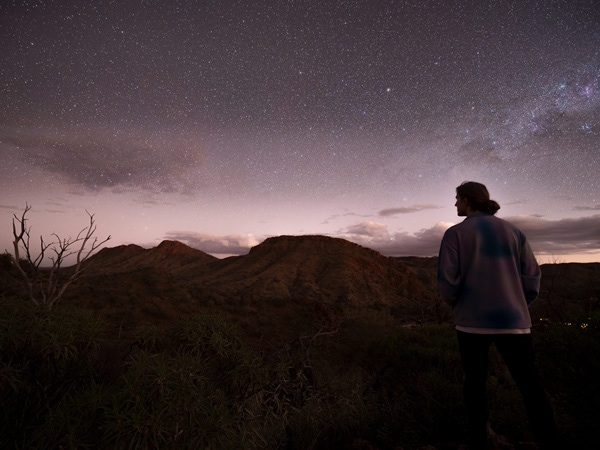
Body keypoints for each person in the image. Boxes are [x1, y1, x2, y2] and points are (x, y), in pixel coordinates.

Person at [437, 181, 558, 450]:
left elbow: (447, 282)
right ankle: (548, 440)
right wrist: (517, 303)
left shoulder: (455, 234)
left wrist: (459, 304)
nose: (455, 204)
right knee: (531, 386)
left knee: (475, 384)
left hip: (471, 324)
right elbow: (532, 277)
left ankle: (480, 440)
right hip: (514, 321)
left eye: (457, 198)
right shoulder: (514, 232)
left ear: (468, 200)